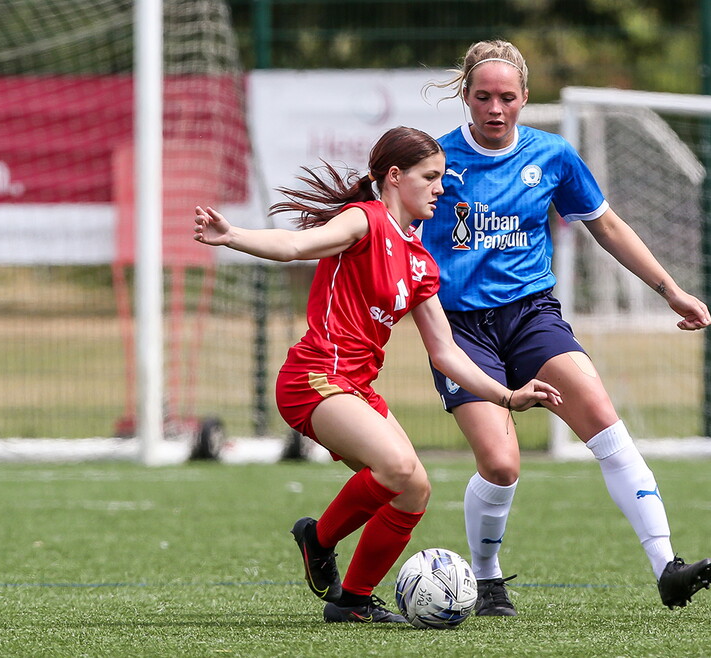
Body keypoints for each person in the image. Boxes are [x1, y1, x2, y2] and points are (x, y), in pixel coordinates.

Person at [192, 126, 561, 624]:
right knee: (397, 468)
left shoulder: (422, 262)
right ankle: (318, 540)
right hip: (314, 377)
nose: (440, 188)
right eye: (430, 177)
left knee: (415, 490)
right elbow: (296, 247)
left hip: (356, 388)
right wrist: (231, 235)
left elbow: (447, 353)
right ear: (394, 177)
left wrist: (508, 395)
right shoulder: (362, 221)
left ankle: (353, 601)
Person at [420, 41, 711, 615]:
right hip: (459, 329)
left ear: (525, 98)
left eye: (507, 97)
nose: (495, 108)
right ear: (466, 96)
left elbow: (606, 226)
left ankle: (667, 567)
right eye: (483, 96)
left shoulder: (553, 155)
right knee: (502, 465)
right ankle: (486, 579)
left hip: (531, 317)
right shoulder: (436, 159)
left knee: (603, 420)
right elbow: (387, 221)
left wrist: (672, 291)